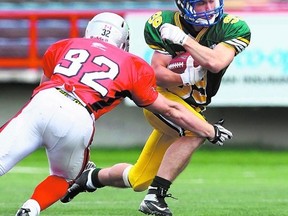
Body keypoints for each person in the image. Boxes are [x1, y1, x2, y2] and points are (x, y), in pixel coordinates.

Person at [0, 11, 232, 216]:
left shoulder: (63, 45)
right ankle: (31, 207)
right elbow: (170, 108)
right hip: (79, 116)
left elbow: (42, 87)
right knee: (63, 177)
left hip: (44, 101)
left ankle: (86, 180)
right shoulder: (132, 64)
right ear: (123, 40)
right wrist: (210, 130)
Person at [61, 0, 250, 215]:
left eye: (211, 1)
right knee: (199, 131)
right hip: (161, 99)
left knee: (138, 179)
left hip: (192, 108)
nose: (209, 8)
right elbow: (157, 76)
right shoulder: (164, 22)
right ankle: (156, 197)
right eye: (201, 4)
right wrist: (185, 75)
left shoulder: (232, 27)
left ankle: (91, 177)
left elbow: (215, 62)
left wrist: (184, 40)